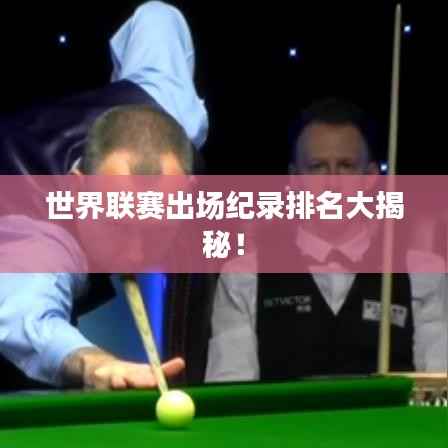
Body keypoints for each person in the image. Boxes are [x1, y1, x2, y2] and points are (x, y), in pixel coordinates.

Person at [205, 98, 447, 383]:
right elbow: (232, 389)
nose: (332, 183)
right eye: (317, 167)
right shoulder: (244, 276)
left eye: (346, 166)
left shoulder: (424, 274)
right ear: (294, 179)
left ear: (371, 177)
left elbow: (439, 388)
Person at [0, 104, 193, 391]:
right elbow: (29, 317)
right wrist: (96, 363)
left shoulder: (171, 103)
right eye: (117, 226)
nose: (135, 255)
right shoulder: (42, 240)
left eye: (157, 231)